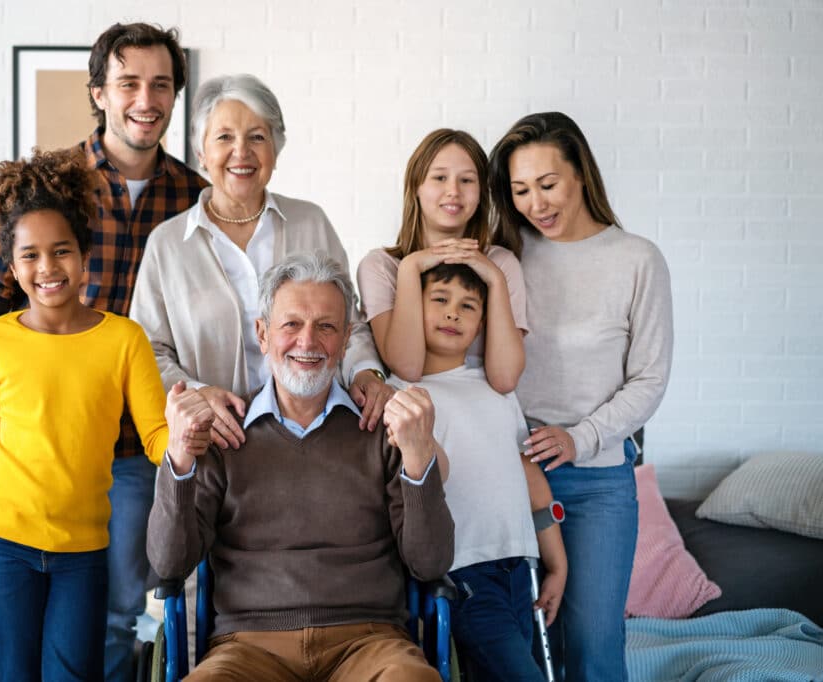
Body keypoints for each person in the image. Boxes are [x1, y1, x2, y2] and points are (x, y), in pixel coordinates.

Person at [0, 22, 207, 681]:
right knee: (25, 650)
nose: (144, 100)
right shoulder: (51, 186)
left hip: (135, 448)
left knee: (117, 620)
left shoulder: (194, 196)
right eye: (128, 84)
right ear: (99, 92)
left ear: (176, 94)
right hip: (41, 451)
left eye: (160, 85)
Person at [148, 252, 455, 682]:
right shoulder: (223, 436)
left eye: (326, 326)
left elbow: (430, 563)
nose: (308, 342)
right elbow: (167, 564)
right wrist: (179, 457)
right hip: (248, 647)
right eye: (291, 324)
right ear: (263, 333)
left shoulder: (383, 430)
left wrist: (420, 457)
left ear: (347, 339)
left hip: (369, 643)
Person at [489, 111, 673, 681]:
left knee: (593, 643)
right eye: (520, 190)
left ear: (581, 175)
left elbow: (649, 378)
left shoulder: (637, 259)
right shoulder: (505, 255)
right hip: (507, 475)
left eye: (548, 185)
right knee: (517, 643)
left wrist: (580, 437)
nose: (535, 203)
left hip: (597, 481)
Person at [132, 73, 392, 453]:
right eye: (224, 138)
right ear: (201, 153)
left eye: (257, 137)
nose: (242, 152)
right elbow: (147, 352)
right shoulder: (168, 244)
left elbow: (349, 325)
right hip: (214, 444)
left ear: (275, 150)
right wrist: (199, 395)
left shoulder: (311, 222)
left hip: (315, 437)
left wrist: (366, 371)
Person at [388, 262, 568, 681]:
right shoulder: (402, 393)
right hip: (465, 573)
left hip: (521, 568)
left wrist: (557, 565)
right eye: (439, 300)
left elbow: (533, 485)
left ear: (482, 323)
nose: (453, 313)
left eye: (468, 306)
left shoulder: (496, 388)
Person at [357, 128, 526, 392]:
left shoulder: (501, 264)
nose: (453, 191)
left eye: (467, 180)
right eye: (439, 178)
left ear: (482, 192)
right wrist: (411, 267)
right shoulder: (381, 266)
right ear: (416, 187)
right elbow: (408, 368)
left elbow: (505, 380)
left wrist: (494, 279)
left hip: (486, 414)